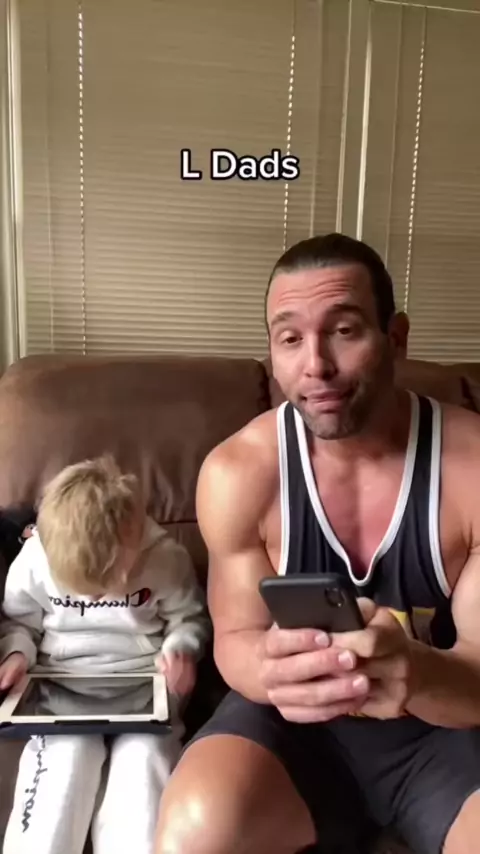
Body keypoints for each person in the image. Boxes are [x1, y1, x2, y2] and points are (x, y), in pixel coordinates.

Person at [154, 233, 480, 854]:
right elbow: (235, 636)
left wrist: (416, 673)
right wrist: (272, 669)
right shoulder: (238, 473)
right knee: (195, 830)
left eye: (344, 331)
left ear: (396, 338)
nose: (316, 366)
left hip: (442, 733)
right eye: (290, 339)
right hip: (293, 730)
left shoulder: (473, 467)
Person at [0, 455, 209, 854]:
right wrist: (17, 654)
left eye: (103, 586)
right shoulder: (33, 560)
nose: (93, 600)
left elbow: (189, 619)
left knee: (144, 761)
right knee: (67, 758)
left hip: (146, 680)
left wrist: (181, 649)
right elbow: (20, 623)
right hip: (61, 682)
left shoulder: (166, 559)